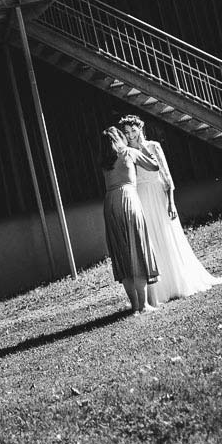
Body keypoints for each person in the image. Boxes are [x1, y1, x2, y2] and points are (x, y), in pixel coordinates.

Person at [119, 115, 222, 302]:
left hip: (159, 194)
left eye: (133, 131)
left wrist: (171, 202)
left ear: (140, 129)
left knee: (168, 235)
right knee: (151, 239)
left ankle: (179, 281)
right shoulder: (127, 152)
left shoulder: (154, 146)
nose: (130, 135)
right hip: (142, 197)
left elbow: (167, 175)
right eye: (127, 132)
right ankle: (160, 289)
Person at [101, 126, 162, 314]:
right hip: (129, 198)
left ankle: (134, 305)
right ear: (120, 138)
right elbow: (154, 166)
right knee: (138, 248)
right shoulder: (129, 152)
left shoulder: (104, 160)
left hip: (110, 202)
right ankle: (144, 305)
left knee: (122, 253)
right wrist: (142, 147)